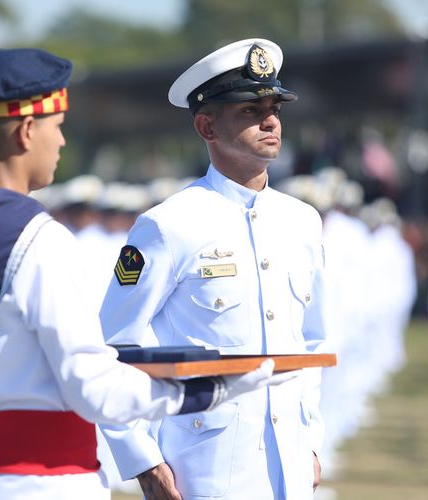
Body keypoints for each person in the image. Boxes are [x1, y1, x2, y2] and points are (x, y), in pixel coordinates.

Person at [0, 47, 294, 500]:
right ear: (26, 131)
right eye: (56, 128)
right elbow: (94, 388)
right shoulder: (38, 240)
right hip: (45, 481)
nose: (60, 142)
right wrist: (212, 388)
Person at [99, 38, 327, 500]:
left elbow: (313, 342)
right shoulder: (169, 225)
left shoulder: (302, 220)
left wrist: (313, 438)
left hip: (292, 460)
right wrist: (142, 460)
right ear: (206, 125)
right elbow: (109, 347)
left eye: (275, 108)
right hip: (205, 465)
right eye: (249, 109)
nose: (269, 120)